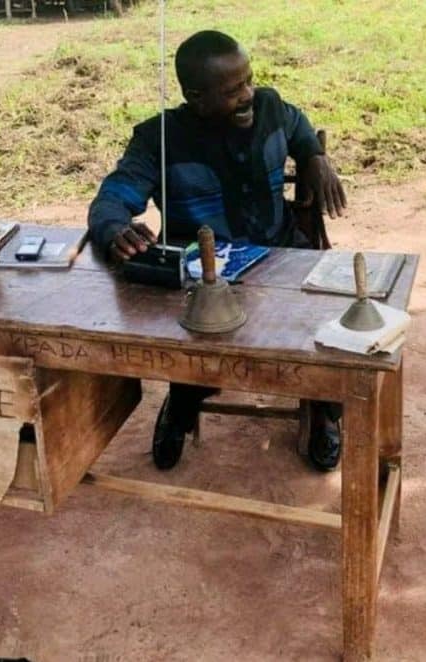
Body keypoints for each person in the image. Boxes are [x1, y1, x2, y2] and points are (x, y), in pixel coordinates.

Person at [88, 30, 347, 471]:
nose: (248, 95)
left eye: (248, 80)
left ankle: (323, 406)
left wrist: (313, 155)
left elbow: (298, 124)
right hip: (202, 269)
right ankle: (185, 399)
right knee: (187, 329)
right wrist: (114, 227)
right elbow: (112, 197)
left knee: (321, 321)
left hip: (280, 252)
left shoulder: (269, 107)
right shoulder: (159, 138)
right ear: (196, 97)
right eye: (232, 90)